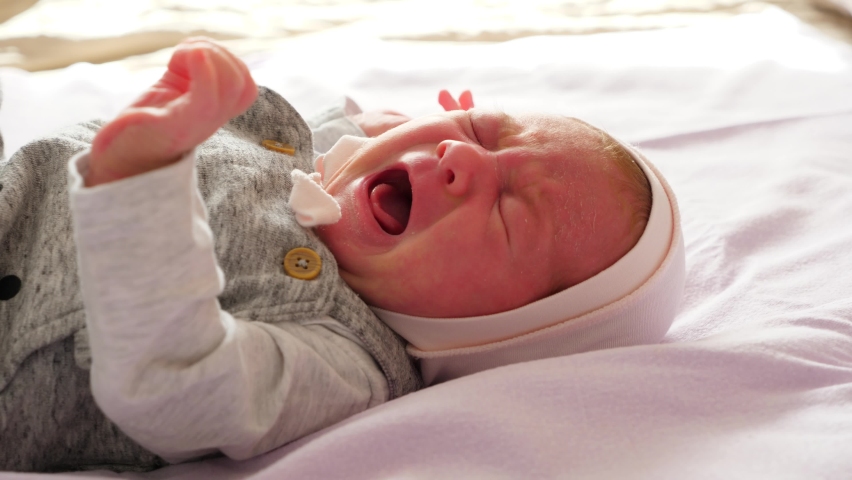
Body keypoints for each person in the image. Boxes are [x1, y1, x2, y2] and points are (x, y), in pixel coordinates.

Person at [0, 38, 683, 472]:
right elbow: (348, 133)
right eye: (482, 129)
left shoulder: (344, 364)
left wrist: (142, 183)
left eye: (510, 208)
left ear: (501, 335)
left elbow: (176, 380)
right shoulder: (324, 161)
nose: (461, 156)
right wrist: (381, 125)